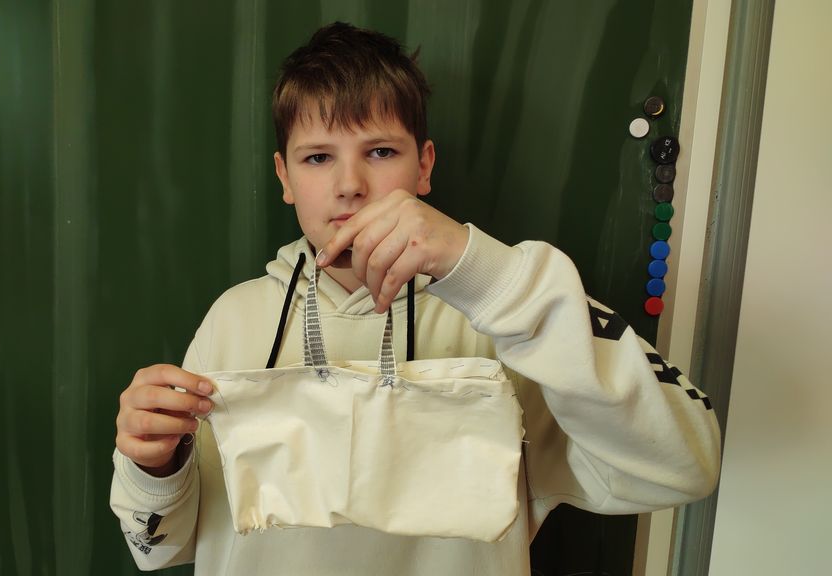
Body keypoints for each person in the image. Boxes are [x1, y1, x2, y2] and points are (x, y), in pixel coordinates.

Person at [110, 22, 720, 575]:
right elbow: (157, 546)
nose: (350, 185)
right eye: (318, 157)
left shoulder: (504, 314)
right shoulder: (234, 320)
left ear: (424, 166)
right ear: (284, 177)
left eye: (380, 152)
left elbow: (686, 464)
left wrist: (484, 272)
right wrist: (154, 468)